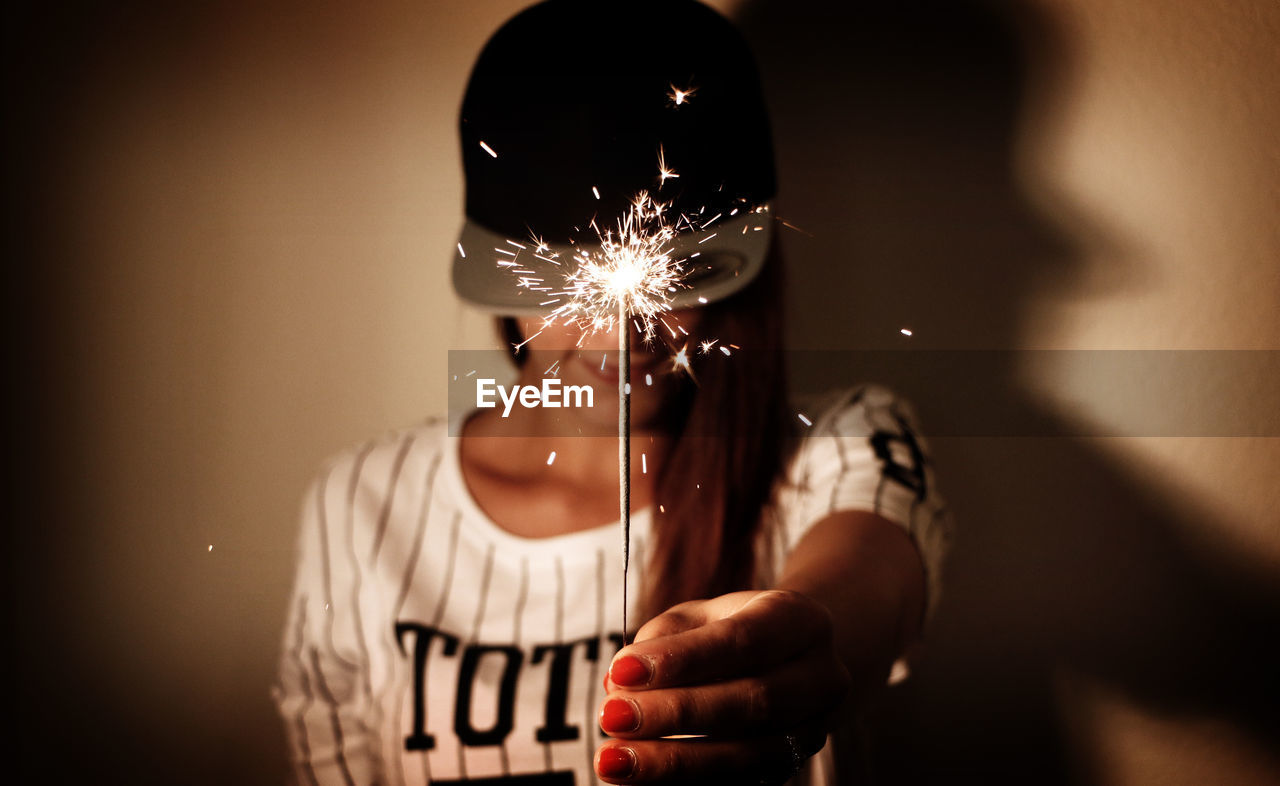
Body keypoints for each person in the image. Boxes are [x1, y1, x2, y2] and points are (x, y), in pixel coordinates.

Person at [274, 1, 949, 784]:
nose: (624, 332)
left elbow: (863, 594)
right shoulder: (361, 504)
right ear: (509, 273)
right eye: (567, 279)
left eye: (676, 273)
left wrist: (803, 645)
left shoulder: (842, 443)